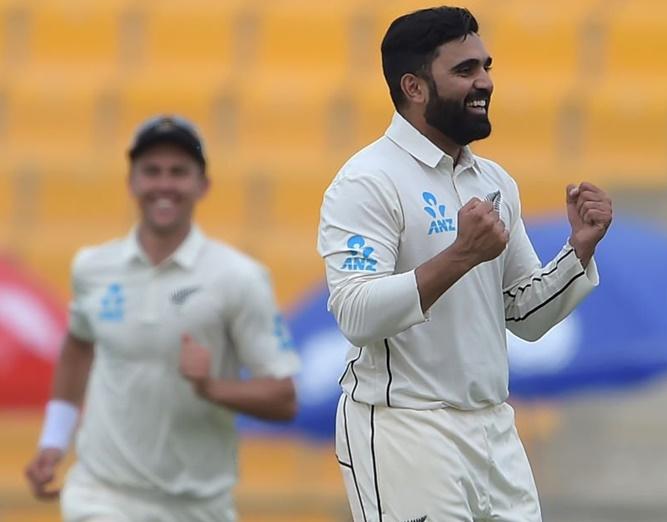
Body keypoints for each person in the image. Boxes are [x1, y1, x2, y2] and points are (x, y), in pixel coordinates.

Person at [317, 7, 612, 522]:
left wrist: (579, 250)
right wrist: (460, 255)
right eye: (465, 71)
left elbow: (524, 316)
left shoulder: (492, 180)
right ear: (413, 86)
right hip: (405, 427)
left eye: (486, 66)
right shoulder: (367, 181)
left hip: (494, 429)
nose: (485, 82)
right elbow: (356, 315)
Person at [25, 115, 300, 522]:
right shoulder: (93, 266)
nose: (164, 185)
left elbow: (283, 398)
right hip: (101, 494)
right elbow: (78, 346)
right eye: (151, 171)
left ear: (202, 185)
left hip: (198, 505)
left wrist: (210, 387)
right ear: (132, 182)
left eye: (179, 172)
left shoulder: (238, 277)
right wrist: (53, 440)